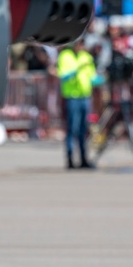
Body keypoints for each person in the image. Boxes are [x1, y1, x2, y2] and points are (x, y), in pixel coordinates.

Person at [57, 38, 97, 169]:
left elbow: (92, 76)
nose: (81, 46)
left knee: (83, 129)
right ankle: (70, 159)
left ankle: (83, 158)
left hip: (85, 96)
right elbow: (63, 76)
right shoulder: (65, 56)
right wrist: (77, 70)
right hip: (72, 97)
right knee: (72, 128)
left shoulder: (86, 57)